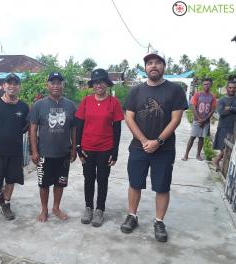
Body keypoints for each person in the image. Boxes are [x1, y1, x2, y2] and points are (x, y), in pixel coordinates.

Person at [120, 52, 188, 242]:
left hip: (164, 149)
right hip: (138, 147)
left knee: (162, 186)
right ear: (145, 68)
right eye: (149, 63)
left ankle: (159, 221)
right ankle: (132, 216)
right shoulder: (136, 91)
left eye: (157, 63)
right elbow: (129, 117)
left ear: (164, 67)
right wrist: (143, 141)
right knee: (135, 183)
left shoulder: (175, 90)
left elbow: (176, 119)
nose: (153, 66)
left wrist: (157, 141)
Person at [75, 68, 124, 227]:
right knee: (88, 178)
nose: (98, 85)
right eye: (96, 82)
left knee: (102, 179)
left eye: (101, 82)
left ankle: (100, 210)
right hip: (87, 148)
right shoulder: (86, 101)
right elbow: (79, 125)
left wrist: (115, 151)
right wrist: (77, 147)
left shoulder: (113, 103)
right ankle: (88, 207)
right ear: (92, 85)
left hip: (105, 148)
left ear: (107, 84)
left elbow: (117, 128)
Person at [29, 72, 76, 222]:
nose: (56, 85)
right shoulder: (39, 105)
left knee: (60, 183)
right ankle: (44, 209)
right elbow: (33, 129)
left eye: (59, 83)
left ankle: (56, 208)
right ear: (47, 85)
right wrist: (34, 151)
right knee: (44, 184)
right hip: (44, 153)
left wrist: (74, 148)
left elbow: (74, 128)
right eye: (52, 82)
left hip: (63, 153)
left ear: (63, 85)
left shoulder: (70, 105)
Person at [0, 73, 29, 220]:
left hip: (15, 151)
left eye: (15, 83)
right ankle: (0, 196)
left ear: (19, 87)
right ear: (4, 86)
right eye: (9, 83)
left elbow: (25, 127)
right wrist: (0, 136)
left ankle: (6, 205)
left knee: (11, 180)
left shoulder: (23, 107)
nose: (12, 86)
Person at [182, 78, 217, 161]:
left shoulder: (212, 96)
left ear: (211, 85)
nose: (206, 86)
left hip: (206, 121)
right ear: (202, 85)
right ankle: (186, 155)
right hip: (197, 120)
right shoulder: (197, 95)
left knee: (201, 138)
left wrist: (204, 119)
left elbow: (212, 109)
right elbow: (193, 107)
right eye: (205, 84)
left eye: (208, 84)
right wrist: (199, 119)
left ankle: (198, 155)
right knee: (192, 137)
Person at [212, 81, 236, 170]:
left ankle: (218, 161)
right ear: (227, 88)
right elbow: (221, 112)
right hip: (224, 126)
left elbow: (226, 110)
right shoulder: (222, 100)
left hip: (234, 127)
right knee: (224, 147)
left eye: (234, 88)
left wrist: (229, 108)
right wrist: (233, 110)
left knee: (230, 147)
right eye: (230, 87)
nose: (232, 89)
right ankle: (218, 161)